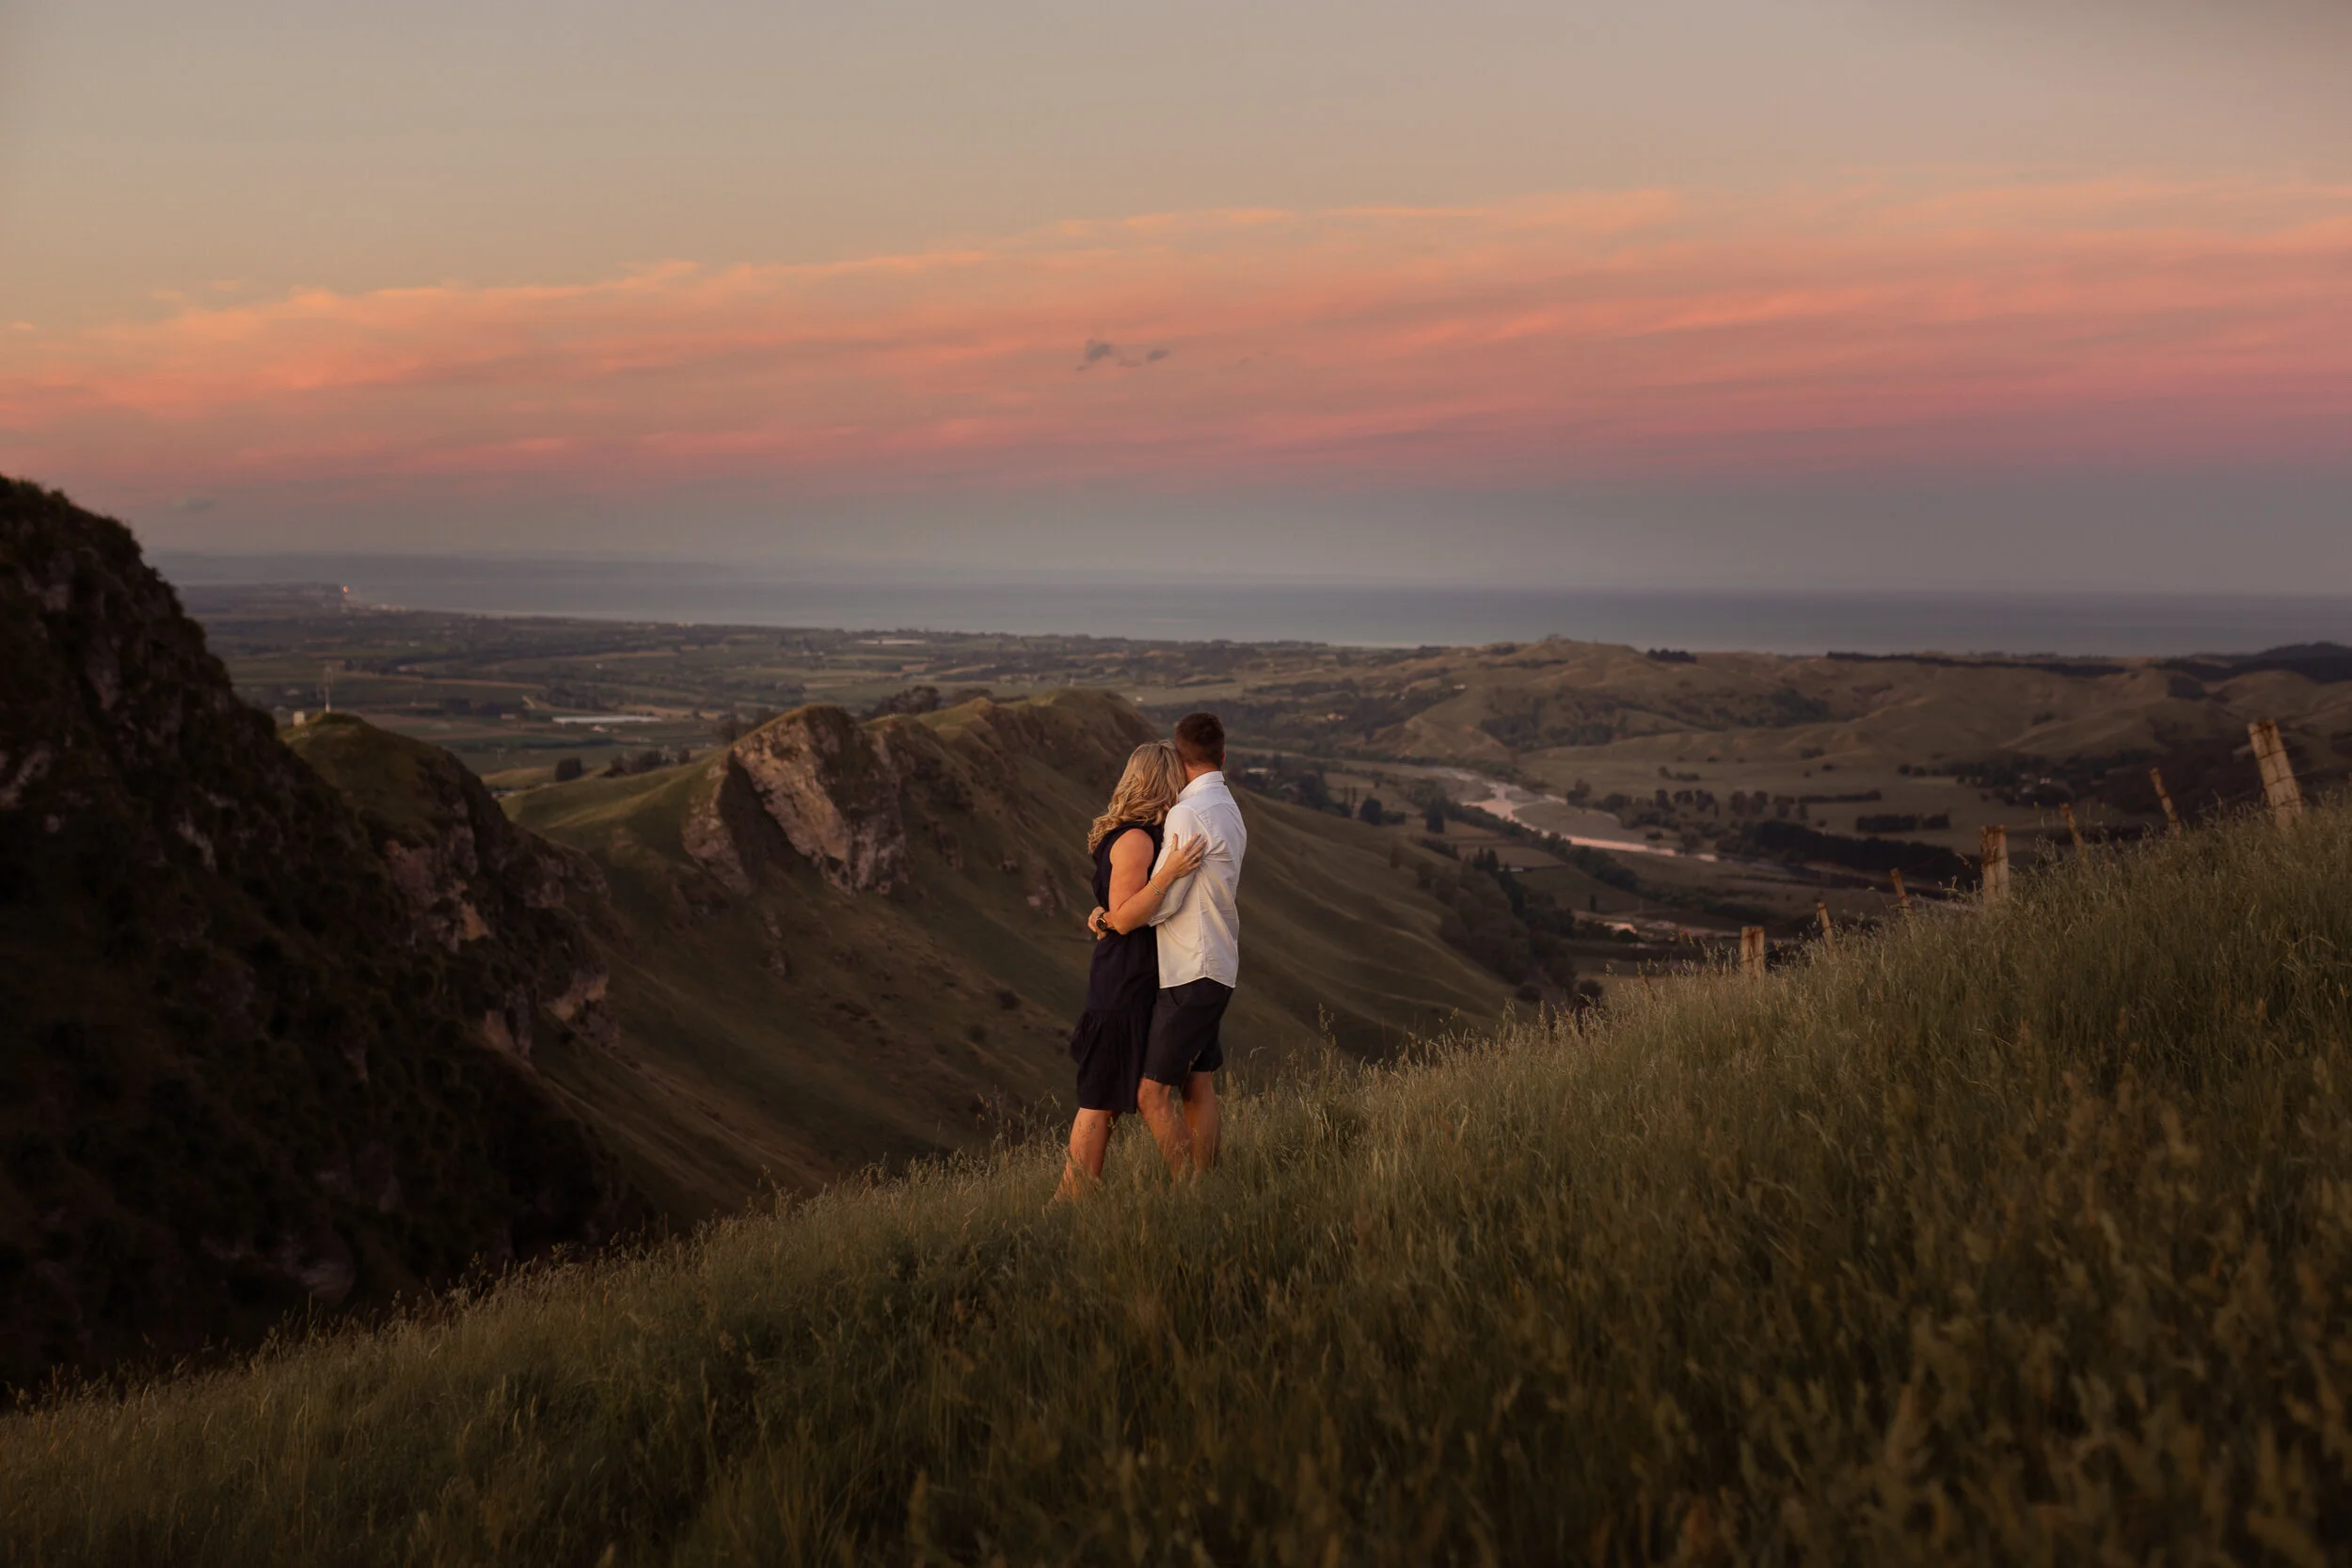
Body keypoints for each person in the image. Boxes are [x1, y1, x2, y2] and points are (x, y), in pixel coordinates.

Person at [1095, 710, 1247, 1179]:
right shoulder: (1230, 809)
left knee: (1151, 1093)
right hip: (1218, 962)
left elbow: (1162, 903)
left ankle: (1191, 1193)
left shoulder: (1187, 813)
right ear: (1224, 756)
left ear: (1179, 760)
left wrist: (1114, 918)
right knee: (1196, 1084)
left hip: (1189, 967)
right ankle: (1209, 1183)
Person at [1057, 741, 1205, 1197]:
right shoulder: (1138, 838)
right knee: (1100, 1100)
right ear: (1163, 782)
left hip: (1141, 978)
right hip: (1124, 982)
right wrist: (1170, 873)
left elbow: (1110, 913)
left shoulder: (1139, 833)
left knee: (1132, 1095)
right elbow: (1124, 916)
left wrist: (1100, 914)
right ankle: (1069, 1202)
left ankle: (1195, 1191)